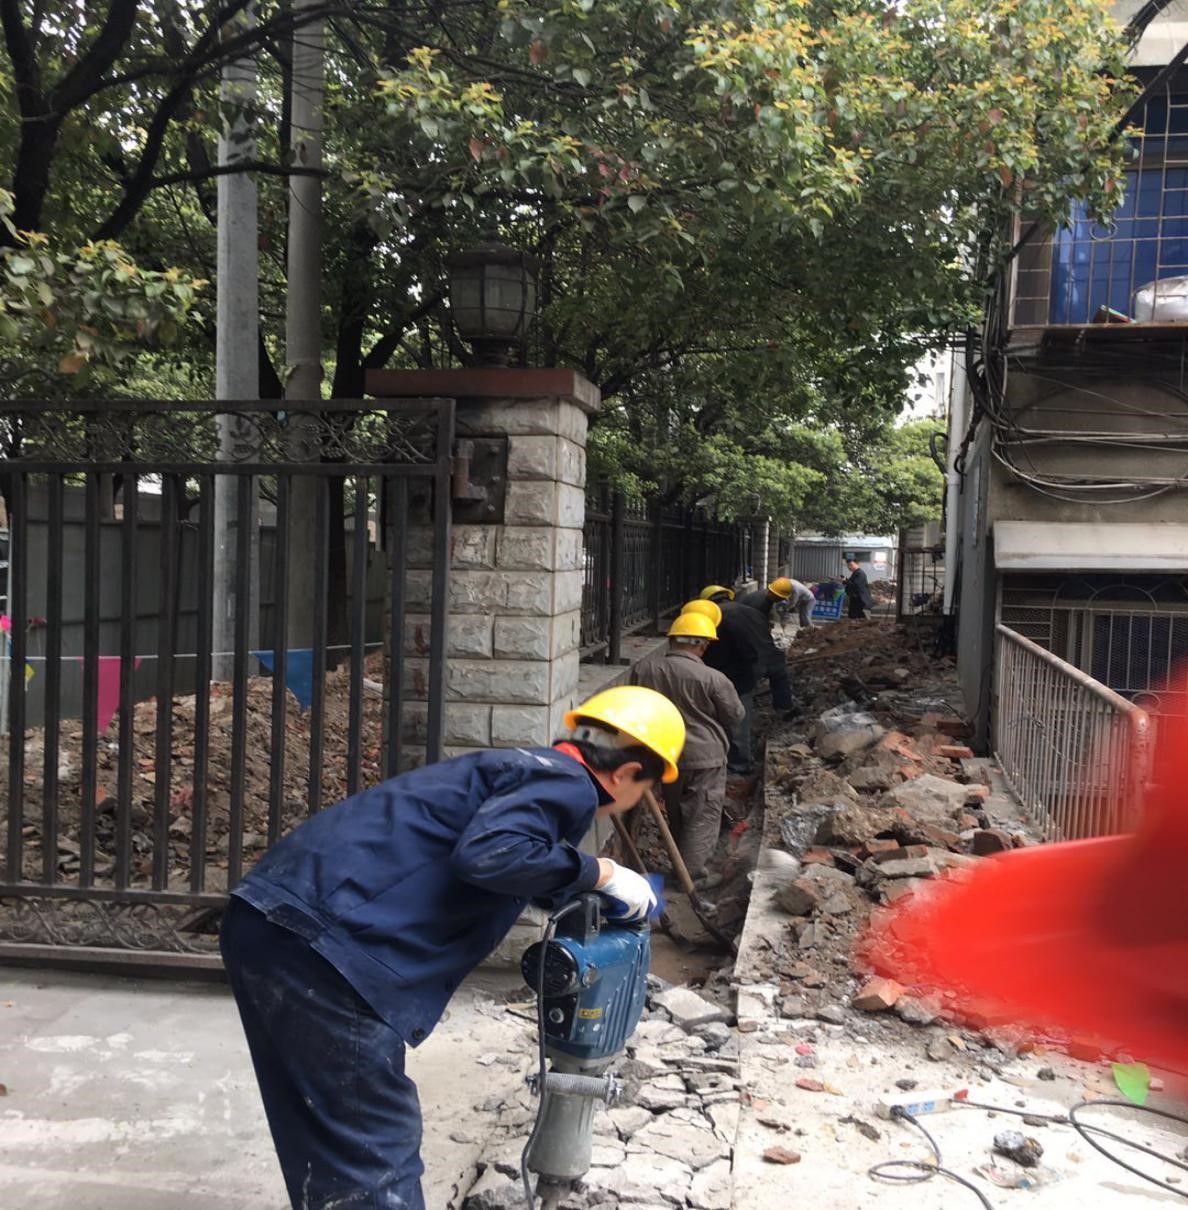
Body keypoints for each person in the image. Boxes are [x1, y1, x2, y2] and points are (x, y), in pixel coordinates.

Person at [219, 686, 685, 1210]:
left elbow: (504, 866)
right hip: (325, 951)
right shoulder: (569, 784)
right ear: (626, 774)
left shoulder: (516, 767)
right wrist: (600, 871)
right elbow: (491, 855)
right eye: (646, 788)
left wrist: (592, 890)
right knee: (371, 1144)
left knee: (326, 1129)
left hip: (266, 923)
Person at [630, 610, 745, 881]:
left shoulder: (644, 669)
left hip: (665, 752)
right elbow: (735, 715)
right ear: (701, 645)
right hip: (705, 756)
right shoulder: (713, 678)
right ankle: (691, 876)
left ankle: (680, 865)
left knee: (677, 811)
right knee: (702, 814)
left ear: (672, 640)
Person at [700, 584, 793, 773]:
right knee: (776, 683)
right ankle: (785, 712)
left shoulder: (717, 618)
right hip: (768, 657)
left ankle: (739, 765)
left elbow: (717, 653)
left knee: (738, 713)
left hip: (745, 666)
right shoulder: (749, 610)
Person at [737, 577, 816, 631]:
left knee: (805, 615)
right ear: (776, 595)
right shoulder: (760, 603)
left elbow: (793, 603)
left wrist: (787, 609)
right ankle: (807, 630)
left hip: (809, 599)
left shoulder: (767, 596)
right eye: (781, 598)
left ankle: (809, 630)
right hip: (739, 619)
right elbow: (756, 621)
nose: (781, 600)